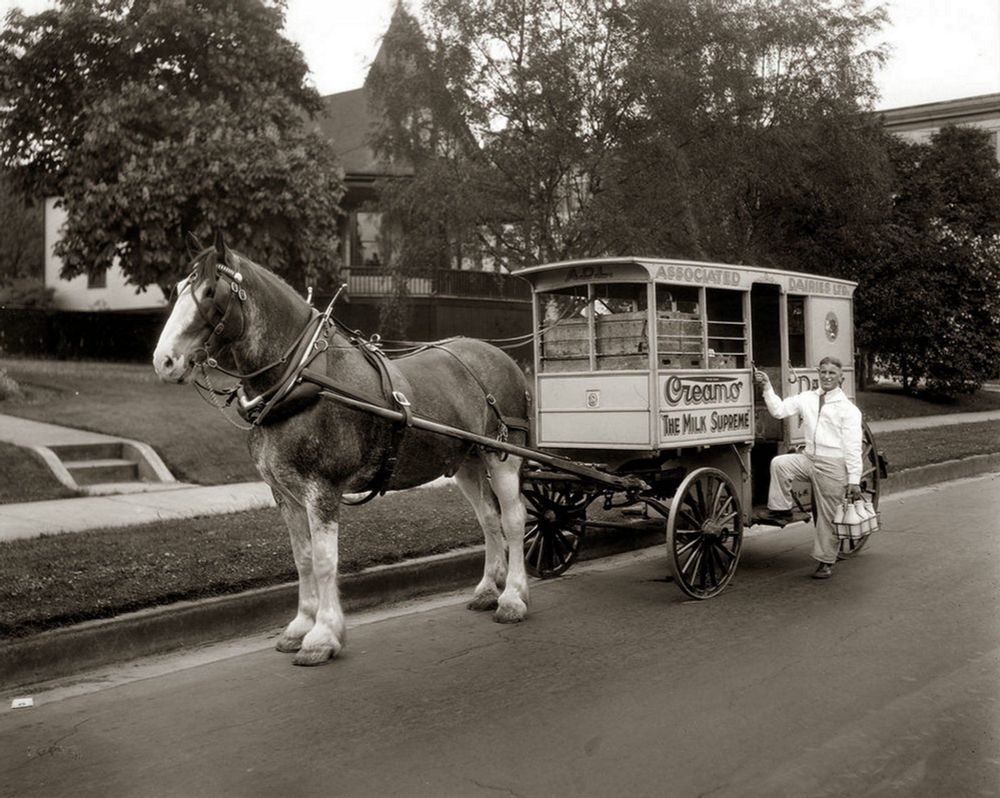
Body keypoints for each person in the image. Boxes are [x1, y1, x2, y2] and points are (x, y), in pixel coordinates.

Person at [753, 357, 863, 580]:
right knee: (779, 463)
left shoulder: (848, 410)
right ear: (818, 374)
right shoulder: (807, 398)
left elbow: (853, 448)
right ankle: (781, 507)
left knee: (827, 516)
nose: (827, 376)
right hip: (809, 458)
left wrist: (854, 479)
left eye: (832, 373)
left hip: (833, 465)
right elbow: (779, 410)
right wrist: (766, 386)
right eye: (823, 372)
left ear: (841, 378)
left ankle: (825, 561)